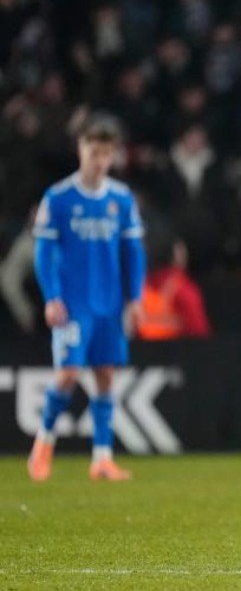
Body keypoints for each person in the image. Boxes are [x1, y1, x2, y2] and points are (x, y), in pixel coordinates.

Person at [28, 114, 147, 482]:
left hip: (109, 303)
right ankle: (43, 443)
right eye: (94, 151)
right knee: (66, 375)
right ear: (81, 148)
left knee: (107, 376)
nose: (99, 160)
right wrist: (52, 297)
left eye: (106, 154)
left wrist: (135, 298)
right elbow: (44, 253)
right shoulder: (59, 198)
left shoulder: (121, 198)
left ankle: (102, 458)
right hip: (74, 304)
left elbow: (134, 252)